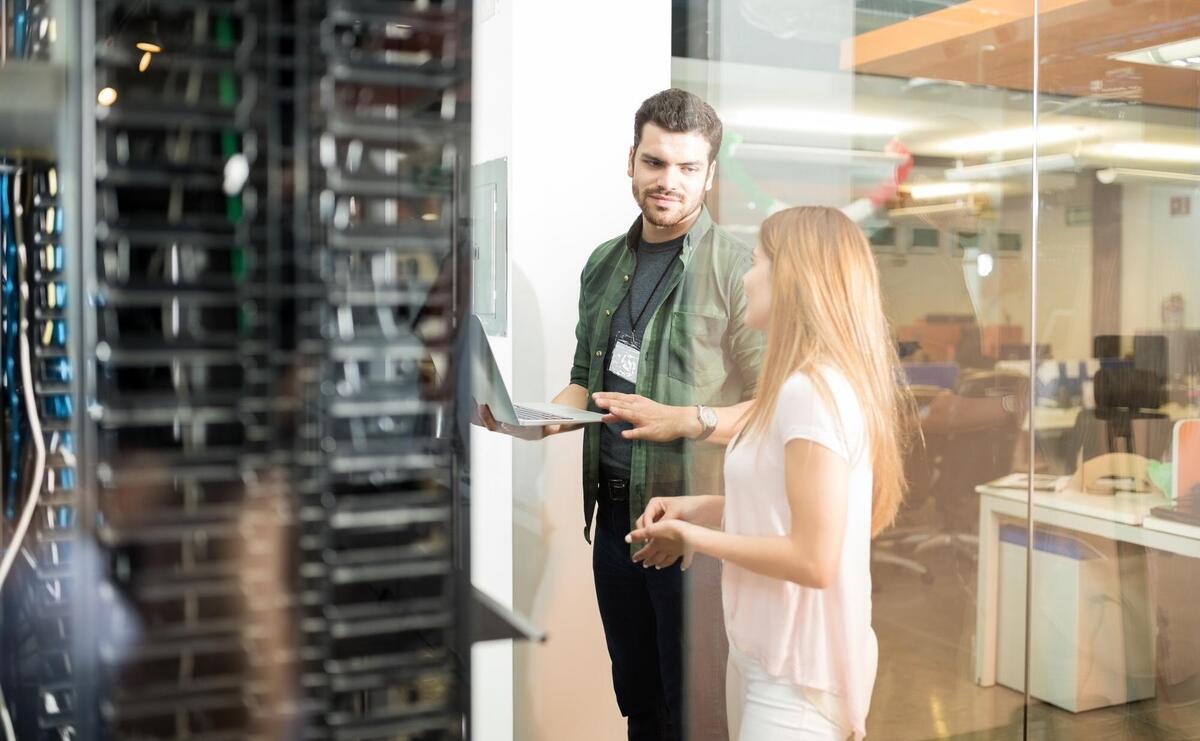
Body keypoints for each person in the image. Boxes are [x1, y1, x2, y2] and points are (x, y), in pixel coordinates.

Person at [478, 88, 765, 741]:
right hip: (614, 521)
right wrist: (539, 418)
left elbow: (772, 405)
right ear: (631, 160)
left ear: (710, 175)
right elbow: (587, 380)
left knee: (694, 713)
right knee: (637, 701)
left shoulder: (739, 270)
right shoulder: (602, 265)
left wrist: (687, 419)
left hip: (692, 532)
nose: (669, 181)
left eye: (688, 168)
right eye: (656, 162)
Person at [618, 206, 915, 740]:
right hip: (764, 655)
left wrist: (696, 537)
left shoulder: (812, 394)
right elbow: (785, 509)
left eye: (756, 263)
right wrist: (701, 508)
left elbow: (813, 558)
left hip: (796, 678)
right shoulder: (797, 387)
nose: (746, 277)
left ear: (793, 280)